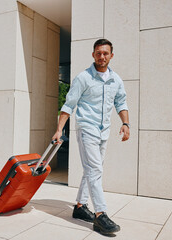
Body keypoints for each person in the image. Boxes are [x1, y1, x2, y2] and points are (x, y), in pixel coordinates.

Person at [52, 39, 130, 235]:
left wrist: (126, 124)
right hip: (87, 128)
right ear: (93, 54)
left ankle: (79, 206)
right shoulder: (83, 78)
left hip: (104, 130)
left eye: (105, 53)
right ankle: (100, 214)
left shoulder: (116, 80)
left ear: (111, 55)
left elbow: (121, 102)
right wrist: (59, 129)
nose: (102, 56)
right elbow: (69, 104)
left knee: (92, 169)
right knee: (95, 170)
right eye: (98, 53)